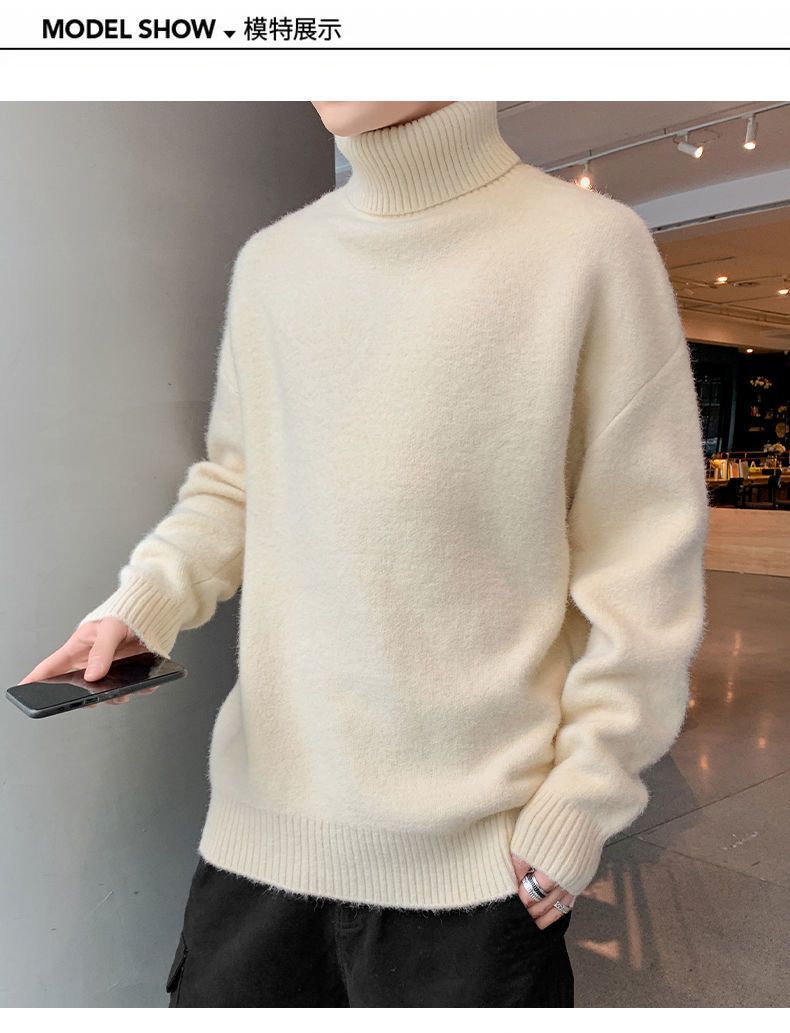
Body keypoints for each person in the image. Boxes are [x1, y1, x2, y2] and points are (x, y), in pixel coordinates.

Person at [21, 101, 709, 1007]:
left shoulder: (590, 249)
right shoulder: (274, 264)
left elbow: (644, 563)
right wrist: (142, 602)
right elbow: (238, 483)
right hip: (261, 838)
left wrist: (584, 794)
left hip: (478, 867)